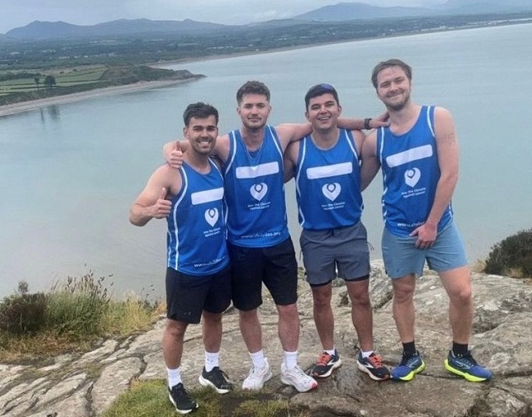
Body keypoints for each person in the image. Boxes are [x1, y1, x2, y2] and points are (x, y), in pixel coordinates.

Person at [165, 81, 384, 393]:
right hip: (240, 246)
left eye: (260, 105)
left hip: (278, 242)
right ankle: (259, 365)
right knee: (247, 310)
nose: (255, 111)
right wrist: (170, 150)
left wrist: (366, 124)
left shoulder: (281, 135)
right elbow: (185, 143)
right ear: (239, 110)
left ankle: (291, 367)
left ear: (269, 109)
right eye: (249, 106)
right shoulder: (225, 145)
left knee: (288, 308)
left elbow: (323, 121)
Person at [360, 59, 493, 382]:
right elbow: (358, 184)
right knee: (403, 292)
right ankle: (410, 355)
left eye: (398, 80)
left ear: (409, 81)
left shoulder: (438, 118)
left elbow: (450, 174)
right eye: (385, 84)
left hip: (440, 225)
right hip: (398, 228)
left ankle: (459, 355)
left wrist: (432, 222)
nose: (393, 87)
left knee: (461, 292)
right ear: (377, 92)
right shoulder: (375, 140)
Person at [129, 102, 233, 414]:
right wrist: (150, 211)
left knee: (214, 316)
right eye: (197, 129)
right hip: (185, 267)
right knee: (176, 328)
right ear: (186, 132)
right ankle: (174, 383)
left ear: (216, 130)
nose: (205, 134)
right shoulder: (169, 172)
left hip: (219, 263)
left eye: (210, 128)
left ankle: (210, 369)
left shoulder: (216, 162)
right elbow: (134, 213)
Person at [283, 83, 391, 381]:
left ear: (339, 109)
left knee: (361, 296)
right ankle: (328, 352)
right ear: (307, 114)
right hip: (315, 237)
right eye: (316, 107)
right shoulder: (296, 147)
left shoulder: (355, 139)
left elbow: (374, 162)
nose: (323, 110)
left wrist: (371, 123)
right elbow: (270, 168)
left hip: (351, 232)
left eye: (329, 104)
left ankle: (368, 354)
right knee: (321, 298)